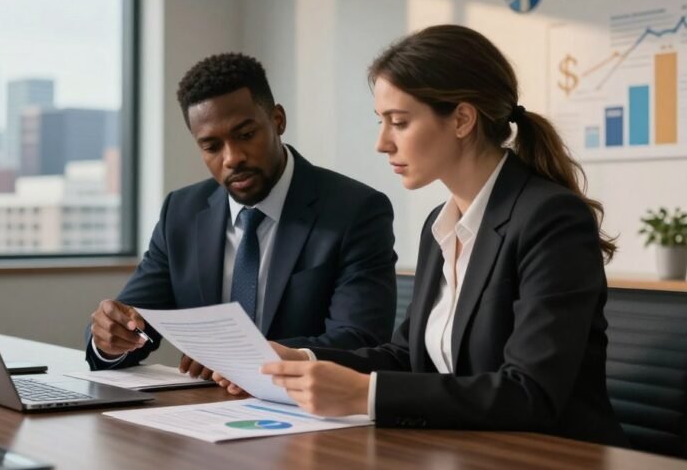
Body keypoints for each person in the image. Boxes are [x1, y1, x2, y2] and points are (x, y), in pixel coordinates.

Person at [219, 25, 627, 447]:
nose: (382, 143)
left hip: (554, 456)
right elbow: (408, 356)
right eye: (381, 122)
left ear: (462, 119)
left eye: (399, 122)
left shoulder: (550, 218)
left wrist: (365, 394)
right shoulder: (442, 223)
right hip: (467, 451)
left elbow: (530, 393)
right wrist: (300, 359)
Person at [86, 52, 398, 374]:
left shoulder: (355, 211)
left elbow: (362, 341)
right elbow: (134, 323)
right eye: (212, 146)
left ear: (278, 120)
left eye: (246, 135)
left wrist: (247, 356)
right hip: (208, 410)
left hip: (308, 410)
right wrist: (110, 338)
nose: (233, 158)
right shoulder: (181, 212)